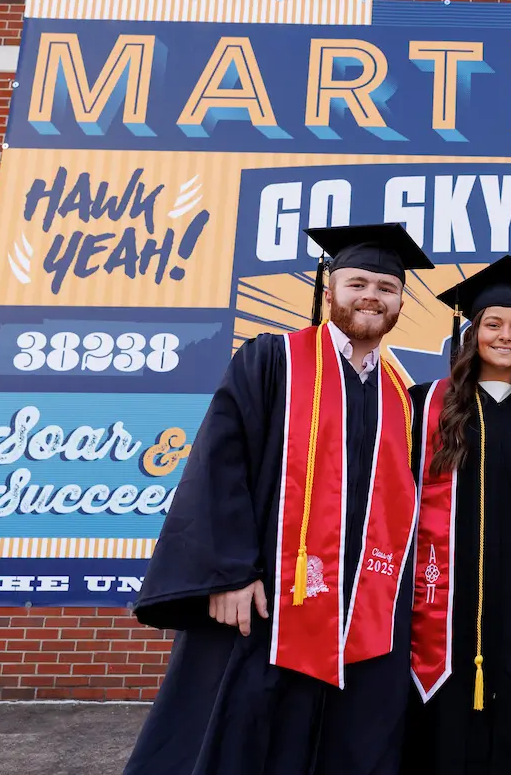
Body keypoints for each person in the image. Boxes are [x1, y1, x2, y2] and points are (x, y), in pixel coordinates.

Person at [123, 223, 433, 775]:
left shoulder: (398, 395)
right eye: (358, 283)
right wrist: (229, 573)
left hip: (358, 615)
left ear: (400, 303)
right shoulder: (275, 360)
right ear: (329, 290)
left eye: (386, 288)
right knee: (244, 739)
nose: (372, 296)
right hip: (266, 601)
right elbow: (223, 461)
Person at [406, 256, 511, 774]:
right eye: (493, 325)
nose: (506, 337)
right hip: (448, 590)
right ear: (471, 334)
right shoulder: (426, 405)